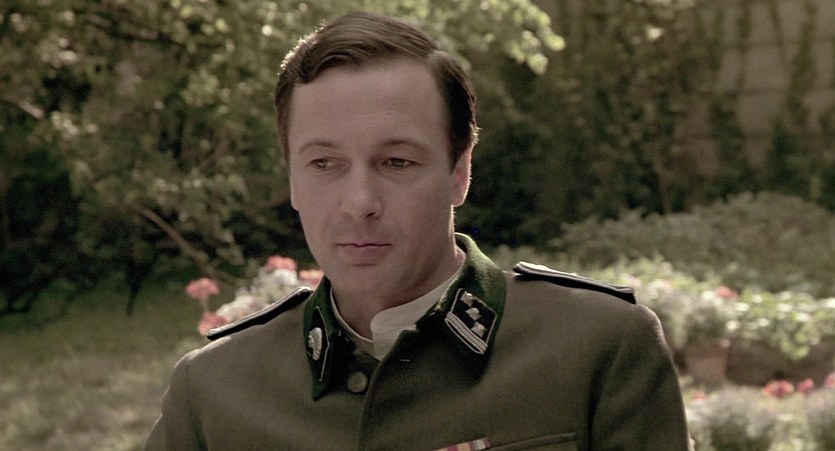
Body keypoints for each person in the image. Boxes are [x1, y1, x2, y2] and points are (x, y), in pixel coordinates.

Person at [146, 11, 690, 450]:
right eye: (324, 163)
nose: (360, 204)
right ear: (291, 177)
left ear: (459, 172)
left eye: (397, 162)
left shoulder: (597, 351)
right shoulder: (213, 391)